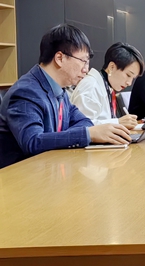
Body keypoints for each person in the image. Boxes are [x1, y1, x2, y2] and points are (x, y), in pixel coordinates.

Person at [0, 24, 131, 168]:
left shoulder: (59, 90)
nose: (86, 69)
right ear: (59, 58)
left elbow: (84, 122)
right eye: (83, 61)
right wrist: (88, 134)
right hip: (21, 175)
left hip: (51, 168)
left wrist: (82, 133)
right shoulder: (26, 91)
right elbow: (33, 142)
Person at [71, 42, 144, 129]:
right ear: (112, 67)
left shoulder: (106, 86)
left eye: (133, 78)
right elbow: (81, 127)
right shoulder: (91, 86)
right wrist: (118, 122)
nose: (129, 83)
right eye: (128, 75)